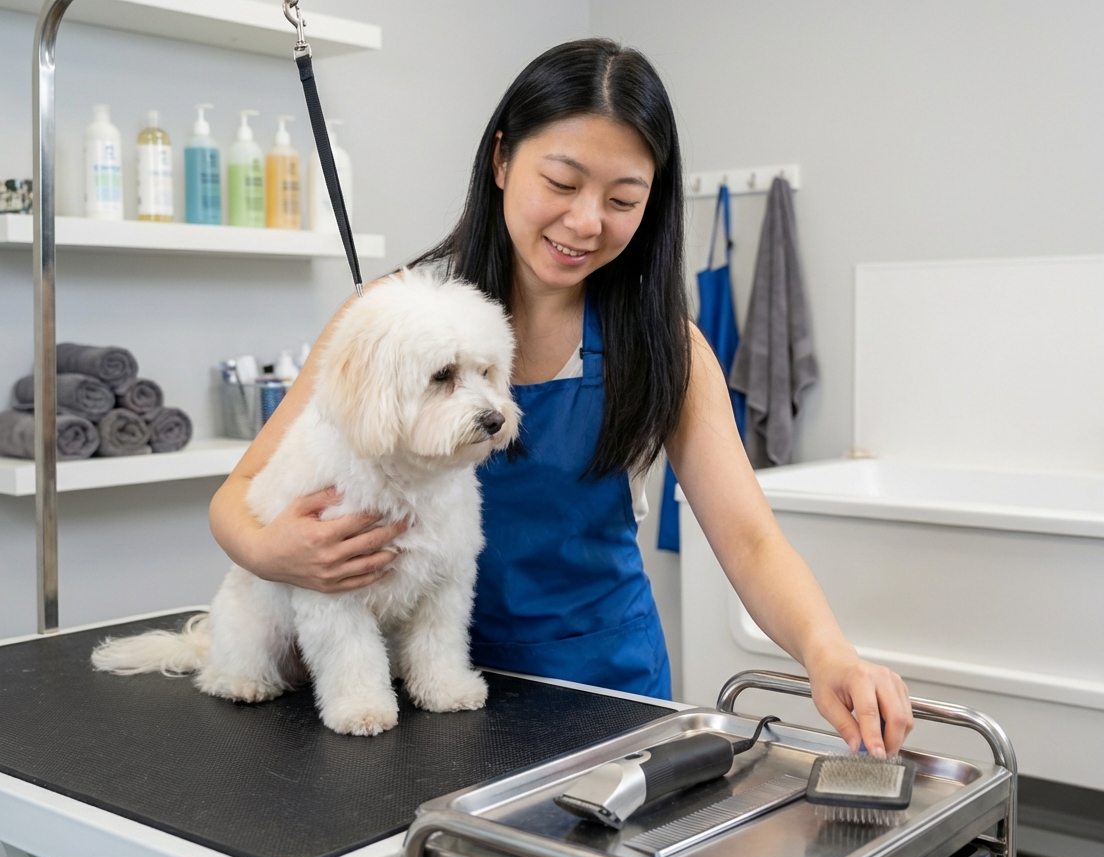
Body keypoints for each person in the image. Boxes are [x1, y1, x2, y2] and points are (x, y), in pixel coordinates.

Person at [209, 38, 913, 757]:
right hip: (431, 699)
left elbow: (752, 541)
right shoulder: (391, 321)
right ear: (502, 160)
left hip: (604, 691)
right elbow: (236, 495)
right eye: (563, 182)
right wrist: (274, 553)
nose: (586, 223)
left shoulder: (667, 349)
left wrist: (828, 653)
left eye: (622, 200)